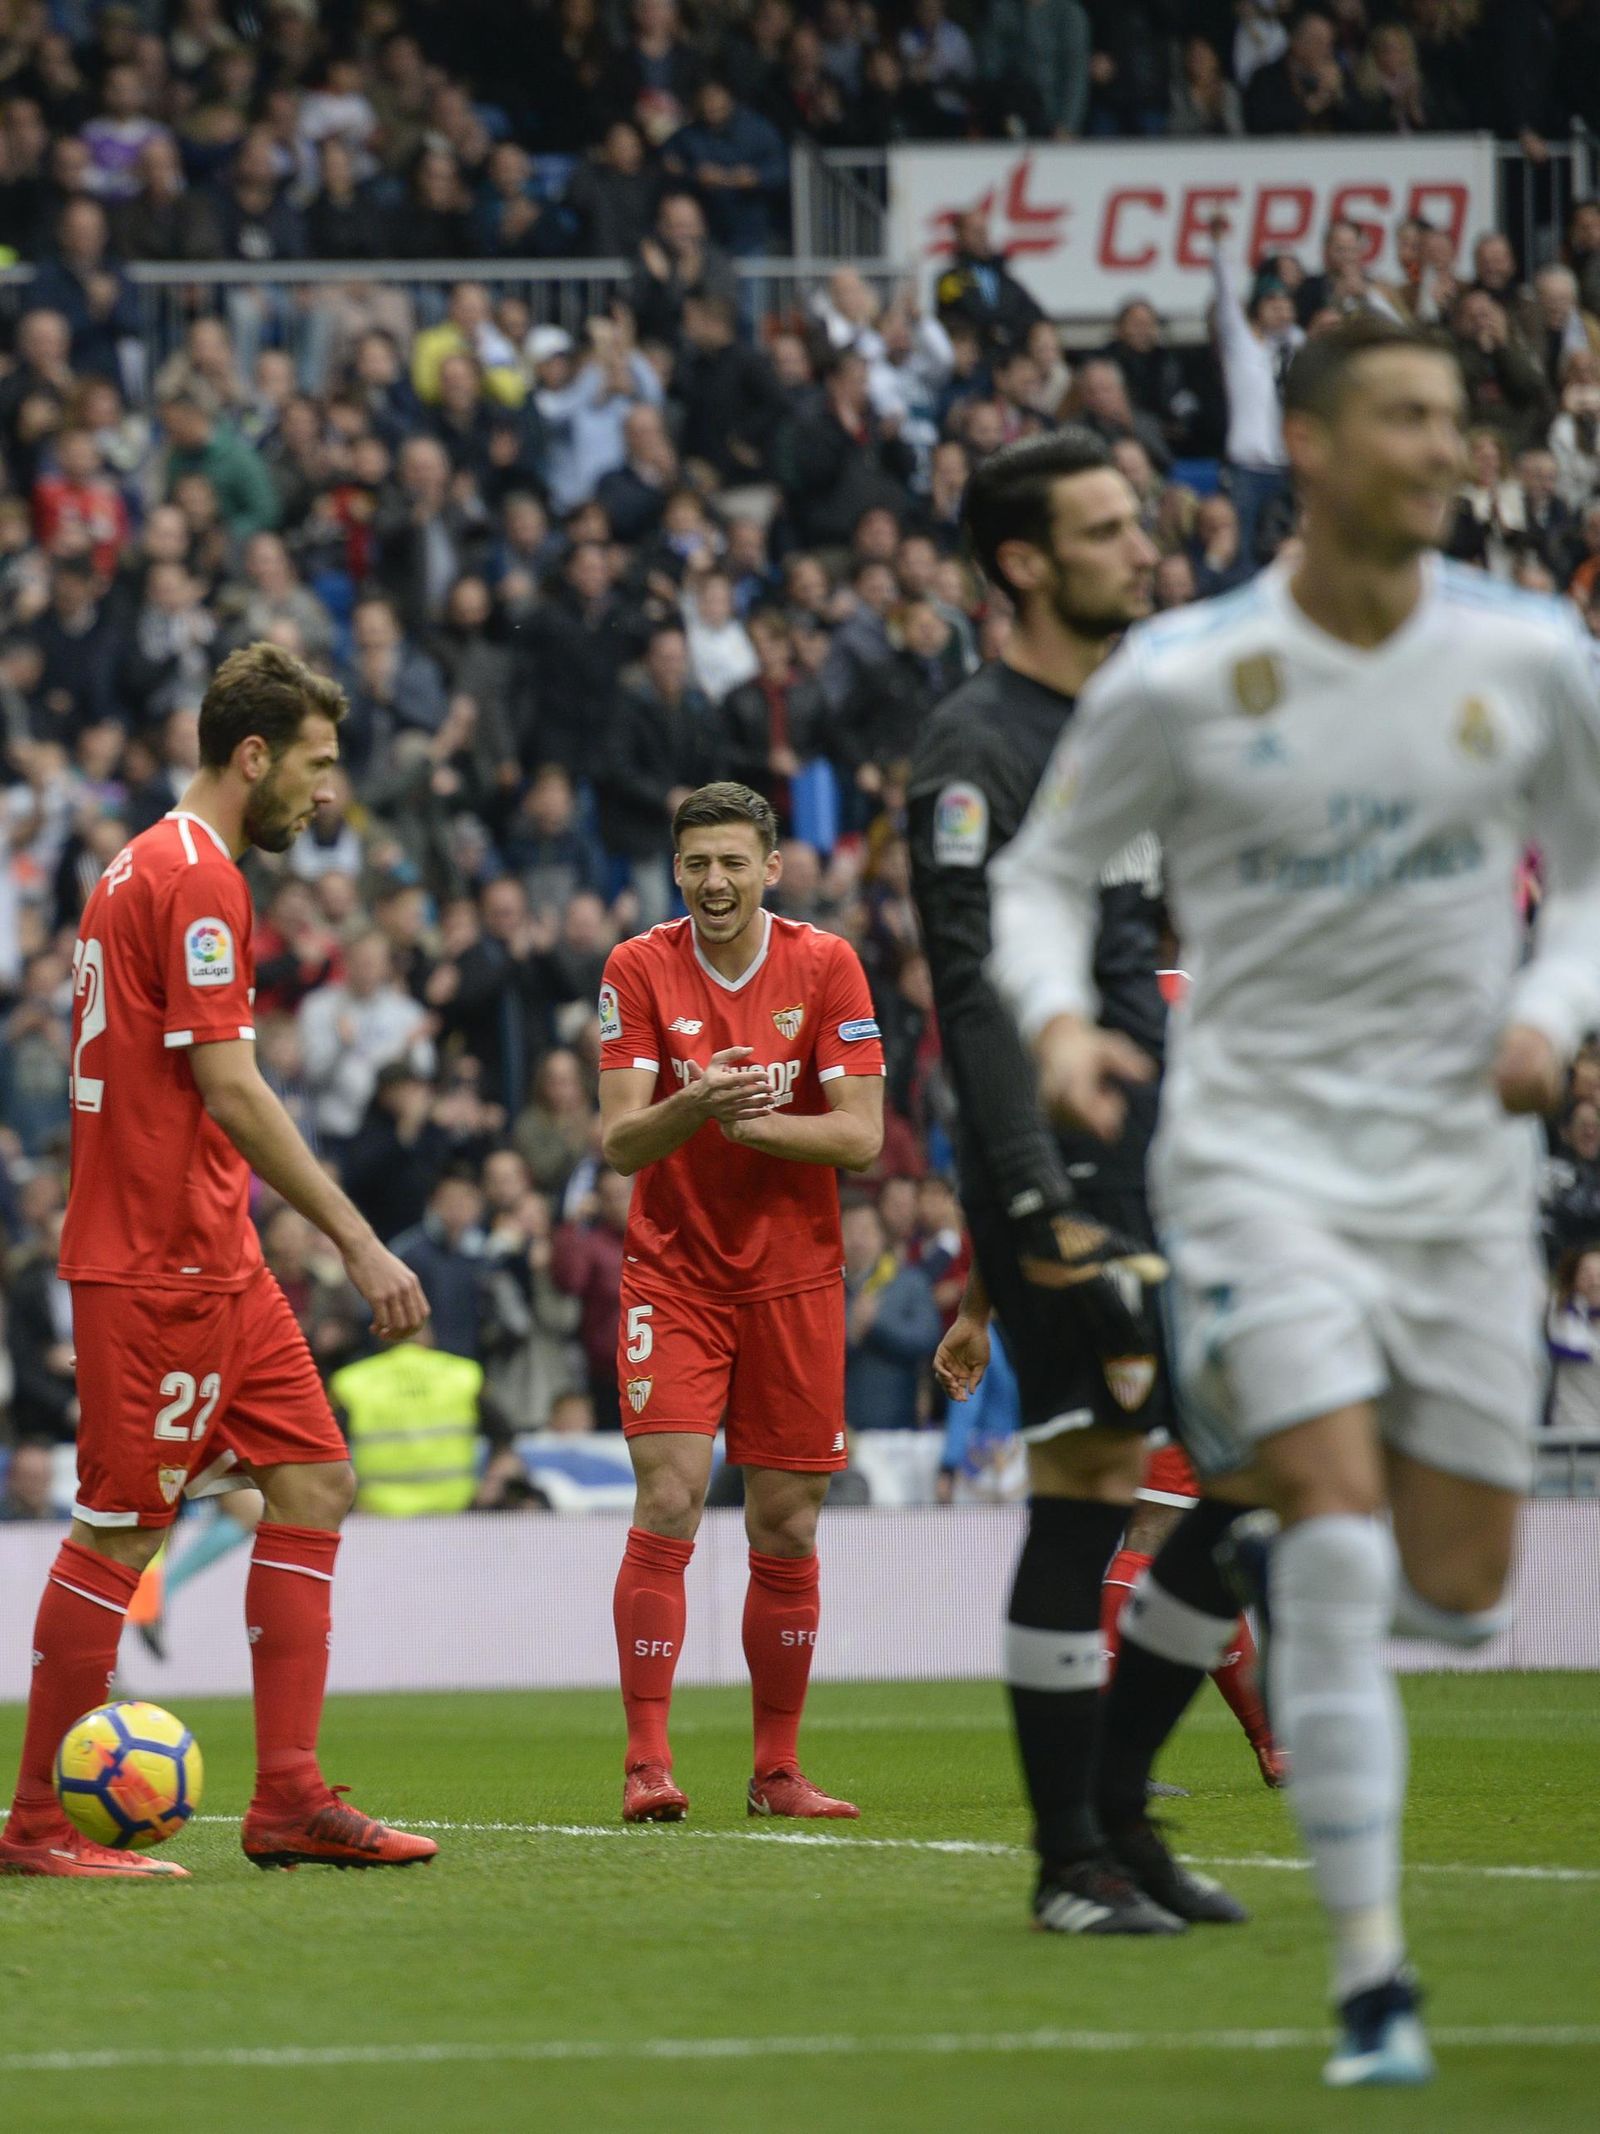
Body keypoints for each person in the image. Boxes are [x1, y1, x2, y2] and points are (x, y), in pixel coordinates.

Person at [987, 315, 1600, 2084]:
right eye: (1405, 415)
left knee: (1466, 1585)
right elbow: (1042, 881)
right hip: (1254, 1161)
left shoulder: (1534, 654)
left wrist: (1550, 1013)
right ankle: (1373, 1975)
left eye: (1453, 417)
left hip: (1459, 1170)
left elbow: (1587, 885)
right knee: (1318, 1509)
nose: (1444, 444)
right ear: (1312, 447)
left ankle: (1330, 1801)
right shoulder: (1185, 674)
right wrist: (1057, 1025)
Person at [0, 640, 436, 1879]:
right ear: (254, 756)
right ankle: (35, 1823)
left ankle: (289, 1796)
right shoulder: (198, 880)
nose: (327, 791)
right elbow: (232, 1088)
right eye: (316, 763)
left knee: (312, 1477)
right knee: (120, 1536)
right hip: (158, 1263)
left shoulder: (146, 861)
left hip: (214, 1254)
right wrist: (356, 1238)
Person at [907, 429, 1256, 1937]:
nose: (1145, 545)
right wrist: (1037, 1192)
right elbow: (975, 992)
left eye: (1140, 520)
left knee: (1257, 1468)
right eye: (1107, 527)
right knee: (1090, 1486)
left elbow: (1138, 964)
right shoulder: (973, 750)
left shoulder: (1124, 721)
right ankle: (1074, 1861)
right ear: (1024, 563)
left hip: (1173, 1157)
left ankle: (1118, 1812)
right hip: (1060, 1178)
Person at [598, 780, 885, 1824]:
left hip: (794, 1277)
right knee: (670, 1495)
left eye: (732, 862)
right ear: (675, 870)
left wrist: (749, 1124)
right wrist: (696, 1101)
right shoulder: (636, 966)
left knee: (787, 1521)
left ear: (772, 867)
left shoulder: (826, 963)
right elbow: (620, 1140)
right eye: (695, 863)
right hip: (673, 1271)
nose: (713, 881)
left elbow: (860, 1136)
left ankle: (775, 1771)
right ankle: (646, 1763)